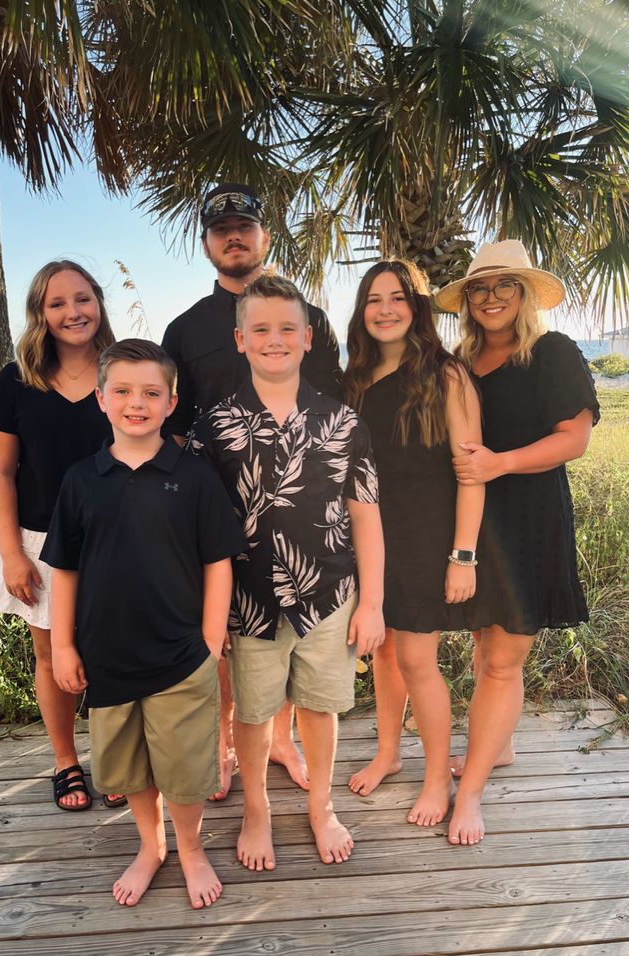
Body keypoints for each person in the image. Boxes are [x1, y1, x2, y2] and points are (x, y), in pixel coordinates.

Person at [41, 339, 246, 908]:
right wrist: (63, 646)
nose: (138, 402)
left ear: (171, 400)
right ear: (101, 399)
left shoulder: (195, 476)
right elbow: (64, 570)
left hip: (182, 657)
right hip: (108, 658)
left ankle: (191, 847)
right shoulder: (82, 480)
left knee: (183, 772)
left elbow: (217, 562)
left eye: (151, 392)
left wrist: (210, 641)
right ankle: (151, 846)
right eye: (124, 391)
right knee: (131, 770)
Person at [190, 274, 386, 870]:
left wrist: (373, 603)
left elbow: (366, 515)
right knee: (251, 714)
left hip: (329, 597)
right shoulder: (213, 426)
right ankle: (257, 811)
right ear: (240, 339)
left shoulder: (344, 422)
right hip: (246, 605)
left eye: (286, 329)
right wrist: (206, 611)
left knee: (321, 709)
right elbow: (196, 527)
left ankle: (321, 806)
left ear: (306, 337)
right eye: (260, 330)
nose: (274, 339)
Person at [162, 182, 343, 798]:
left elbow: (332, 412)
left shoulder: (309, 318)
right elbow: (171, 422)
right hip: (216, 513)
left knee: (287, 632)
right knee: (225, 637)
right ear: (208, 244)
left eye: (244, 225)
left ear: (265, 235)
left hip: (298, 510)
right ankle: (225, 746)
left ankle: (282, 742)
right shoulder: (184, 329)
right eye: (220, 229)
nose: (233, 236)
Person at [434, 239, 599, 845]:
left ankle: (471, 793)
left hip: (528, 518)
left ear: (525, 294)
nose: (492, 297)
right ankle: (496, 749)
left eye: (506, 285)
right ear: (467, 300)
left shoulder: (552, 352)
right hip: (476, 521)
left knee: (503, 661)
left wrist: (501, 464)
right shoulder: (459, 360)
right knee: (485, 648)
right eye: (480, 288)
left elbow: (573, 439)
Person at [0, 259, 127, 811]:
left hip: (117, 540)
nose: (73, 312)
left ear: (99, 303)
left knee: (112, 655)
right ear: (40, 314)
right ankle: (67, 763)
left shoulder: (121, 370)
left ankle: (113, 759)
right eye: (58, 303)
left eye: (83, 298)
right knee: (50, 656)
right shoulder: (15, 381)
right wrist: (14, 553)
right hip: (40, 541)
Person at [343, 260, 484, 825]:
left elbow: (470, 472)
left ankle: (435, 780)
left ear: (417, 307)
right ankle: (387, 753)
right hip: (369, 537)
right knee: (383, 651)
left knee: (418, 658)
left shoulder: (446, 375)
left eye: (397, 298)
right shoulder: (353, 379)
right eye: (374, 299)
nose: (385, 309)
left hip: (428, 536)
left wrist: (463, 555)